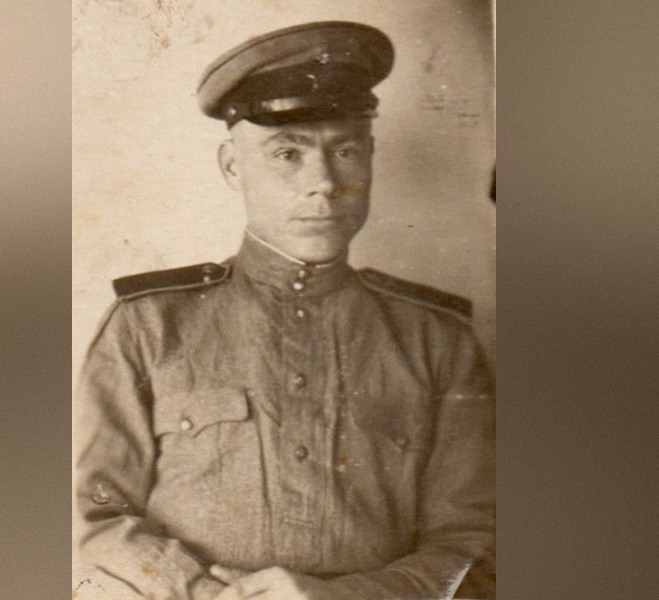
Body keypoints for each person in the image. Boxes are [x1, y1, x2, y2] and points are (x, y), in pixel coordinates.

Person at [74, 21, 495, 600]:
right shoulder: (148, 325)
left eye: (345, 151)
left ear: (370, 159)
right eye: (288, 154)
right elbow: (93, 515)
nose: (323, 183)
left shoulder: (437, 340)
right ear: (232, 166)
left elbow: (473, 544)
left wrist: (343, 598)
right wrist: (202, 594)